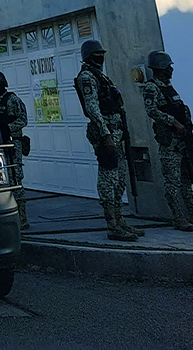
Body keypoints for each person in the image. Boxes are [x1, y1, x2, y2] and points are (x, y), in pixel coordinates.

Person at [74, 40, 141, 241]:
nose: (100, 57)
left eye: (101, 53)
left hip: (116, 131)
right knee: (108, 178)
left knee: (120, 178)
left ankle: (120, 222)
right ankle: (112, 225)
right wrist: (106, 134)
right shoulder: (87, 77)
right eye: (96, 54)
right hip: (106, 135)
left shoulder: (101, 76)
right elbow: (93, 107)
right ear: (88, 56)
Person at [140, 51, 193, 231]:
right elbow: (151, 110)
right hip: (169, 142)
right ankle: (178, 218)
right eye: (168, 66)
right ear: (160, 68)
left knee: (187, 180)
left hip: (183, 141)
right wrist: (173, 122)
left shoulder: (169, 86)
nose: (171, 69)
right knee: (172, 182)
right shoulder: (152, 87)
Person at [0, 72, 29, 230]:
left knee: (16, 179)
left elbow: (23, 119)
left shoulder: (12, 100)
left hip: (13, 144)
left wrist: (7, 128)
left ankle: (22, 217)